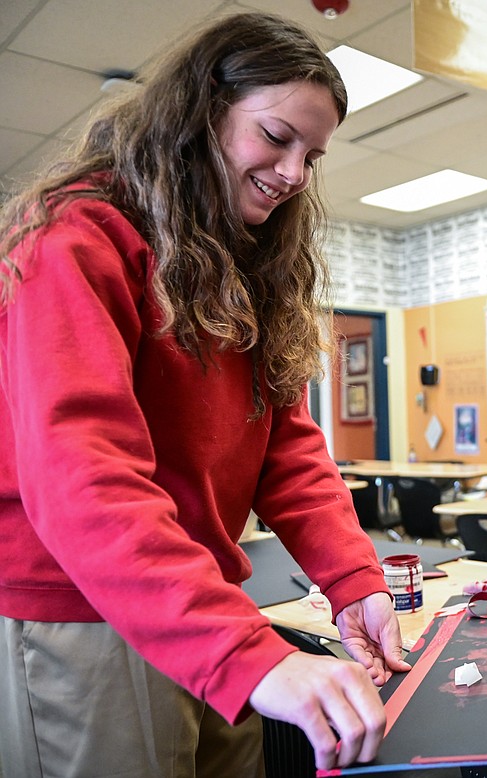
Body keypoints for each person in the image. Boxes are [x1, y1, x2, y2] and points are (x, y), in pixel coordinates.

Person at [0, 12, 411, 777]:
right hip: (90, 612)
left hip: (206, 601)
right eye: (277, 137)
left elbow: (285, 446)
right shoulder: (75, 241)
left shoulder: (241, 262)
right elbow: (84, 480)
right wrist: (246, 654)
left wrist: (355, 582)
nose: (293, 174)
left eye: (312, 156)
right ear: (200, 115)